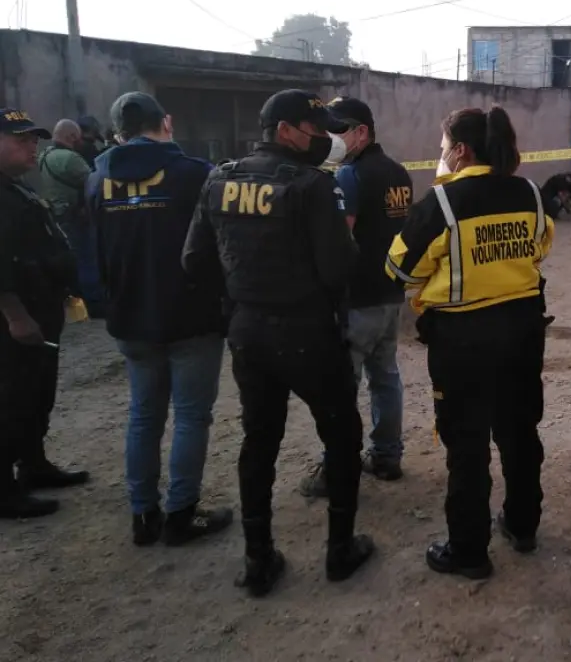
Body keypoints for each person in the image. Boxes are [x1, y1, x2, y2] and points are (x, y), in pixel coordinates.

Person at [182, 89, 374, 597]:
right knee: (341, 434)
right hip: (308, 331)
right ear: (286, 130)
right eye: (316, 129)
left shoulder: (218, 179)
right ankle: (339, 550)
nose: (324, 139)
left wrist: (241, 288)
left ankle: (258, 558)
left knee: (259, 443)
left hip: (248, 331)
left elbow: (194, 262)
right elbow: (339, 268)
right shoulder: (309, 186)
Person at [385, 105, 552, 580]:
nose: (440, 158)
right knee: (520, 432)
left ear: (460, 151)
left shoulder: (440, 204)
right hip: (522, 332)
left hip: (463, 341)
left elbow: (398, 268)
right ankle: (523, 527)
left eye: (443, 149)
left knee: (467, 443)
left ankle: (469, 550)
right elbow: (541, 248)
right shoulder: (530, 193)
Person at [88, 92, 233, 547]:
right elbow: (221, 246)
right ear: (166, 122)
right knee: (191, 416)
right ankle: (181, 514)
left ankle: (143, 515)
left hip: (130, 316)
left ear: (117, 134)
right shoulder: (196, 175)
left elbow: (93, 253)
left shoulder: (96, 181)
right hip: (192, 316)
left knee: (143, 416)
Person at [300, 97, 411, 497]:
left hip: (357, 300)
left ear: (362, 132)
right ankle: (387, 456)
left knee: (340, 388)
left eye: (339, 130)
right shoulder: (398, 172)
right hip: (389, 293)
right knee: (385, 378)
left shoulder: (349, 175)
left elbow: (339, 238)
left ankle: (337, 469)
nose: (332, 138)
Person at [0, 107, 90, 519]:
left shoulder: (17, 188)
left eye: (32, 139)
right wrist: (15, 314)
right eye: (20, 140)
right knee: (11, 400)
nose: (30, 146)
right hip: (16, 321)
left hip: (41, 310)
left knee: (38, 394)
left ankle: (33, 465)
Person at [37, 120, 104, 317]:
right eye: (78, 138)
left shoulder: (44, 155)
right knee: (87, 257)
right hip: (76, 215)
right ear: (72, 137)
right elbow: (94, 184)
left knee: (73, 257)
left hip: (57, 214)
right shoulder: (70, 158)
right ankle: (95, 302)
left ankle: (79, 297)